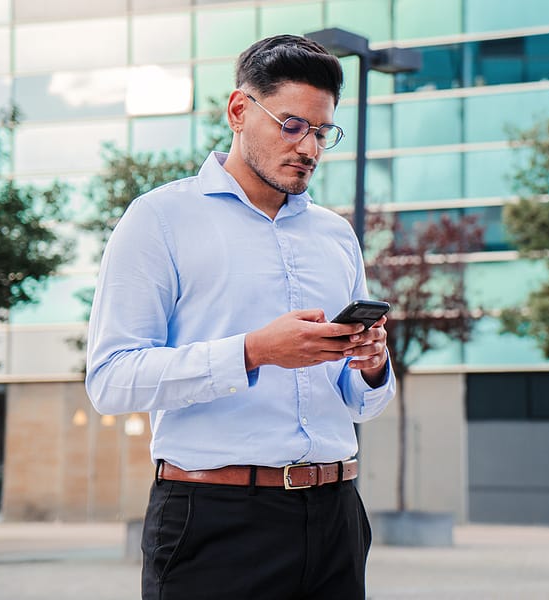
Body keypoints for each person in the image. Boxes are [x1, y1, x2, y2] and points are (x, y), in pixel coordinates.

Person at [85, 34, 395, 600]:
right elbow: (111, 380)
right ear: (238, 111)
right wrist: (252, 352)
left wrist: (370, 366)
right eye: (293, 124)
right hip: (216, 520)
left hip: (337, 518)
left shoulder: (335, 235)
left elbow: (359, 401)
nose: (310, 148)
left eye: (323, 132)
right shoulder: (158, 219)